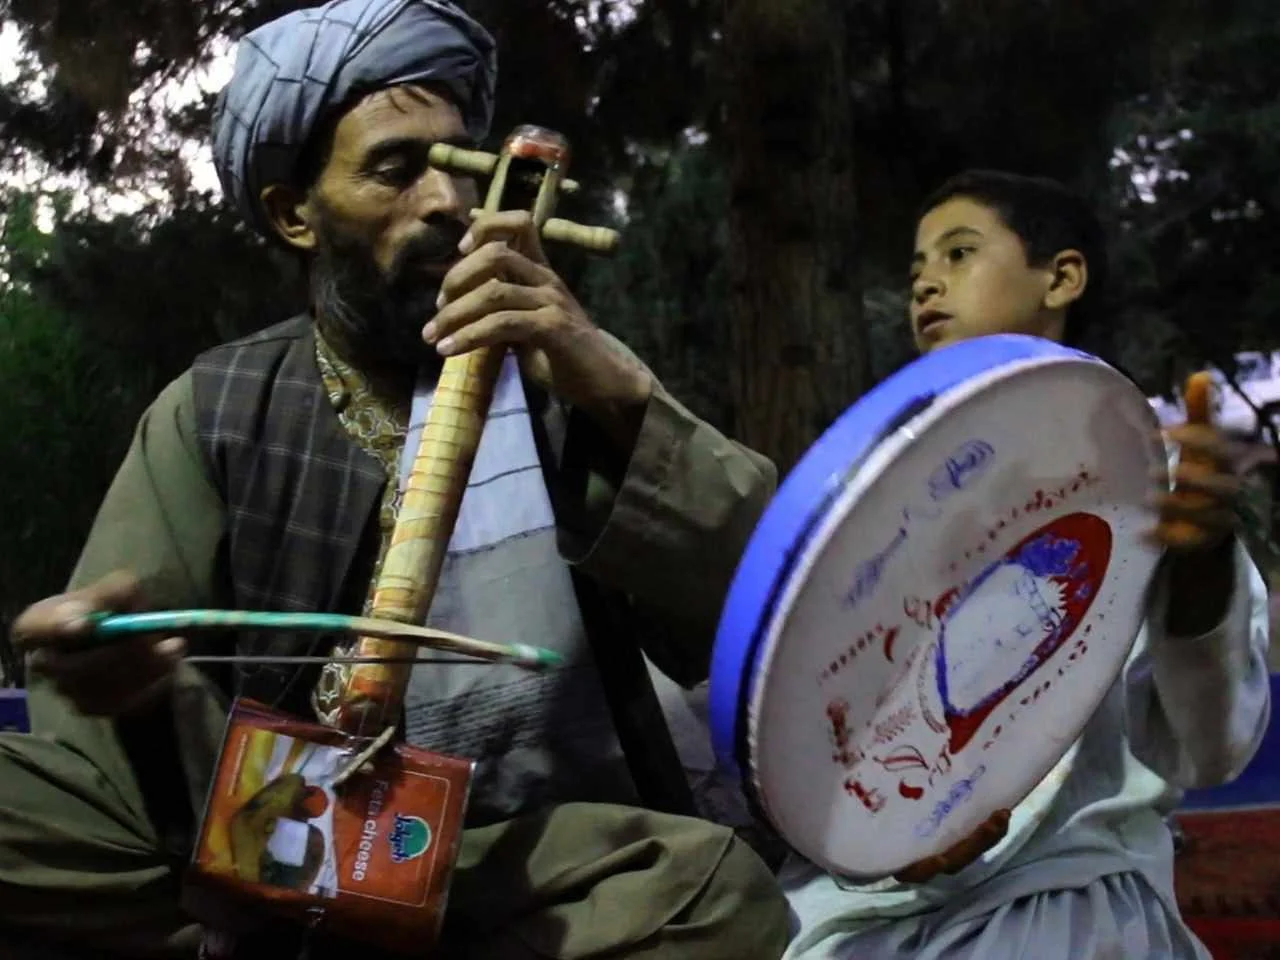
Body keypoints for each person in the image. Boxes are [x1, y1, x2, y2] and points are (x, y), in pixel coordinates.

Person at [0, 1, 791, 957]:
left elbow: (766, 610)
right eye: (394, 169)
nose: (447, 205)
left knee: (706, 891)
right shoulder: (215, 407)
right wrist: (120, 680)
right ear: (295, 214)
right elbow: (109, 760)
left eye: (458, 165)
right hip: (264, 841)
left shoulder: (559, 384)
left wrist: (620, 401)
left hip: (487, 863)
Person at [778, 170, 1272, 958]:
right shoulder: (882, 493)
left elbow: (1210, 747)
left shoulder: (1145, 471)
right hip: (857, 913)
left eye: (960, 252)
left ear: (1061, 277)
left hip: (1064, 907)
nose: (927, 284)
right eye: (915, 271)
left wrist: (1204, 563)